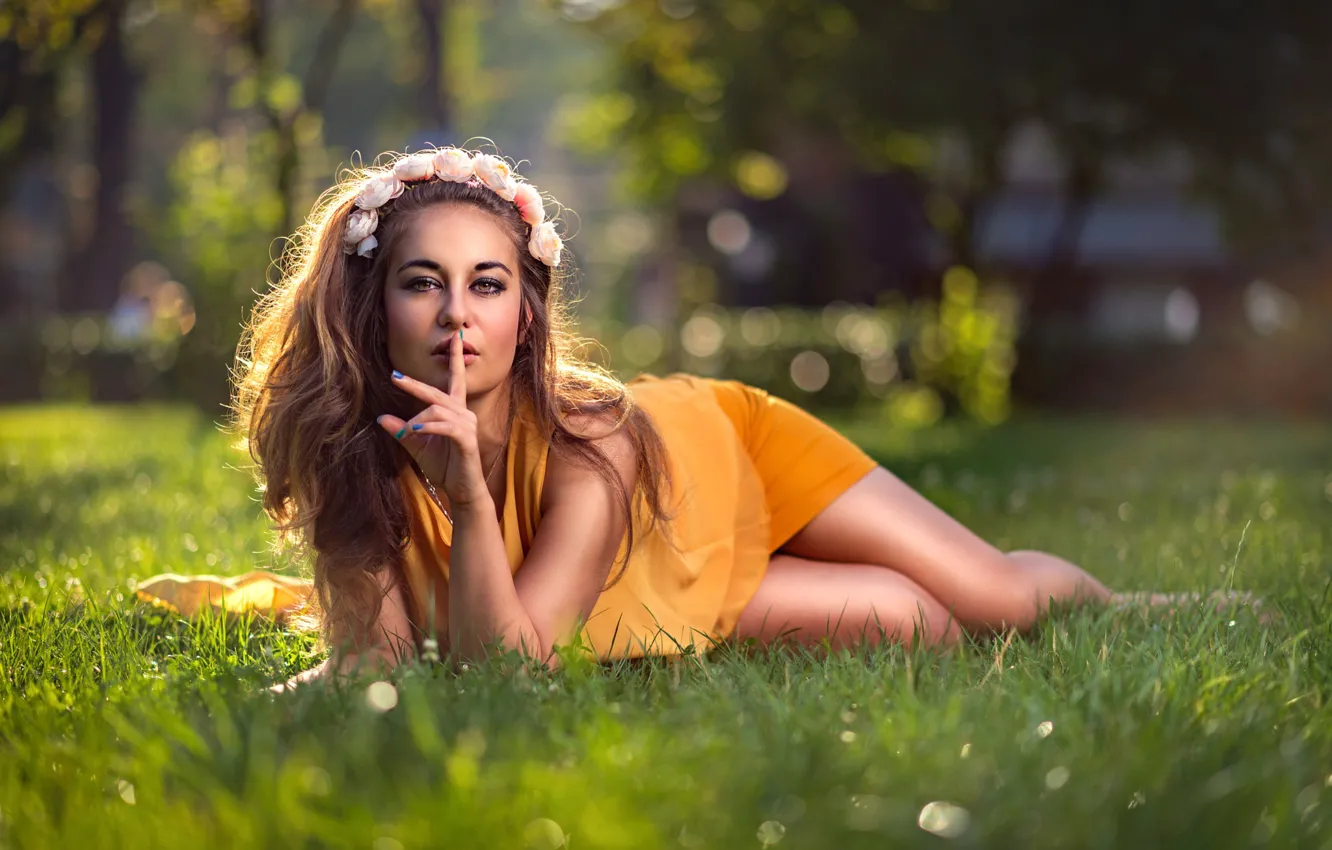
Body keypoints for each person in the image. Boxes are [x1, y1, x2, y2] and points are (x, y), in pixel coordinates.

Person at [226, 146, 1256, 691]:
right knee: (921, 629)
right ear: (376, 304)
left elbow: (503, 662)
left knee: (989, 596)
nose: (457, 316)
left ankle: (1135, 610)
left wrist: (469, 500)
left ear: (527, 310)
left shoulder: (597, 436)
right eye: (423, 282)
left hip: (719, 459)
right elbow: (431, 667)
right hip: (653, 577)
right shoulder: (345, 444)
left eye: (488, 283)